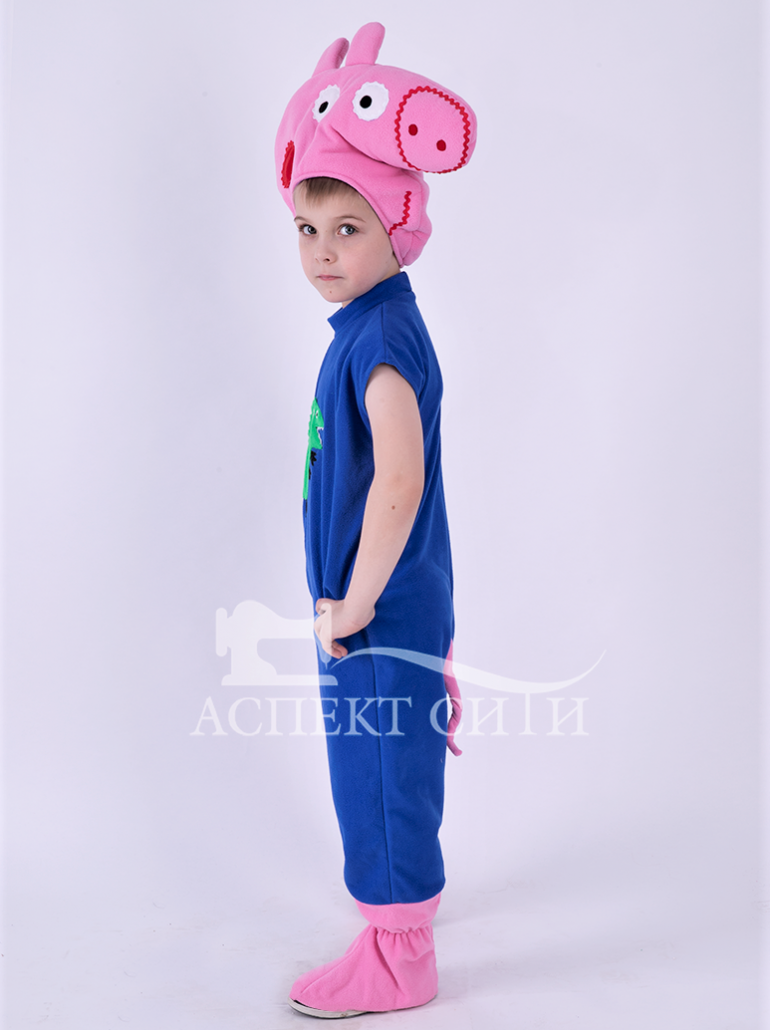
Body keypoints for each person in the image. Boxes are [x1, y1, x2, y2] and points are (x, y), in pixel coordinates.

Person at [274, 22, 477, 1019]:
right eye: (307, 229)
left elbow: (398, 480)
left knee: (381, 770)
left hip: (377, 609)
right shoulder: (365, 323)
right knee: (374, 764)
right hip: (377, 601)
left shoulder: (383, 340)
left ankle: (400, 958)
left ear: (397, 228)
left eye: (347, 229)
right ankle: (398, 907)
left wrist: (355, 602)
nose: (322, 251)